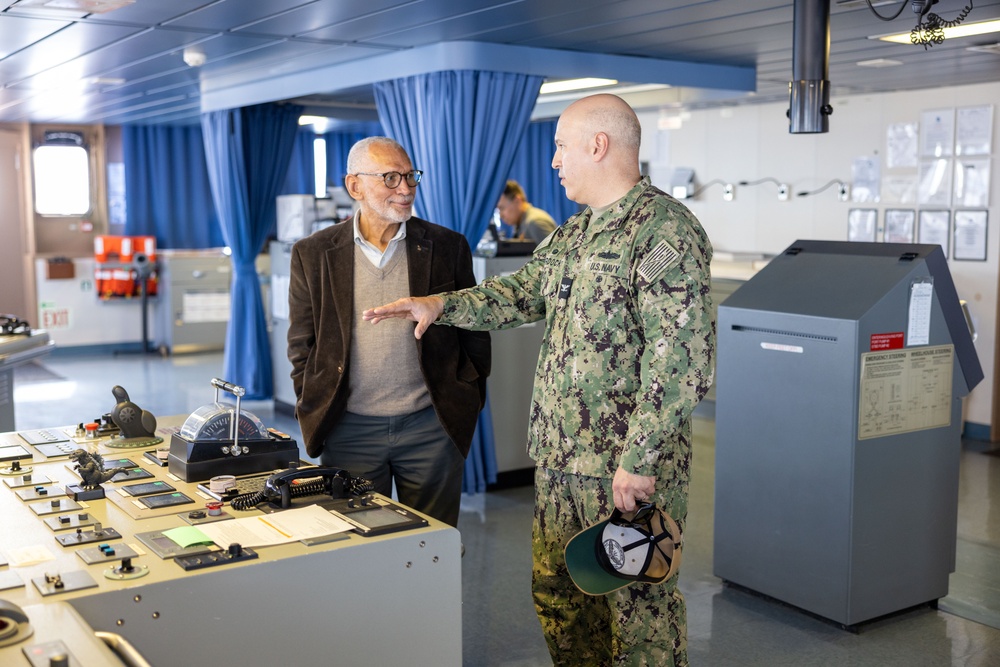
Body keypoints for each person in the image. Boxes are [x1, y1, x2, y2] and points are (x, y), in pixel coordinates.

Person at [364, 94, 715, 666]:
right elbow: (521, 293)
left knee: (635, 615)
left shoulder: (663, 232)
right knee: (562, 599)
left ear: (597, 146)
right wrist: (438, 304)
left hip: (622, 469)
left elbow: (680, 362)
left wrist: (641, 458)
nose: (554, 161)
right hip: (559, 460)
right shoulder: (574, 233)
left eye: (560, 146)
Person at [286, 136, 491, 528]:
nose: (406, 189)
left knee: (434, 544)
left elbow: (474, 328)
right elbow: (302, 345)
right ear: (355, 186)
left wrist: (468, 394)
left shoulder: (448, 246)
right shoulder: (312, 253)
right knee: (362, 550)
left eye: (411, 176)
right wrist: (316, 404)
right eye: (391, 178)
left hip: (431, 428)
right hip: (350, 431)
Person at [496, 179, 557, 244]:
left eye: (502, 208)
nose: (500, 215)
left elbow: (557, 253)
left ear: (517, 201)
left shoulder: (535, 222)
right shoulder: (523, 222)